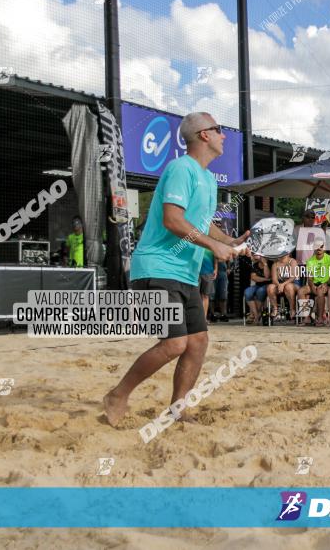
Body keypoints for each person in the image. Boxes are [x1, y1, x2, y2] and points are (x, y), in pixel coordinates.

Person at [104, 112, 249, 427]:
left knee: (197, 342)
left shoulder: (208, 179)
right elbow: (172, 220)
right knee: (175, 343)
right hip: (155, 267)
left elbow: (202, 222)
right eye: (219, 129)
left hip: (183, 273)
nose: (224, 135)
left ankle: (177, 410)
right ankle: (118, 393)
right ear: (204, 135)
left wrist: (229, 240)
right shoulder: (180, 169)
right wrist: (213, 247)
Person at [306, 241, 330, 327]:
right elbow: (310, 277)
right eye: (316, 246)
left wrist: (325, 283)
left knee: (320, 291)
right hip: (314, 283)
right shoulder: (310, 261)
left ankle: (320, 318)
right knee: (301, 291)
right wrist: (312, 285)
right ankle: (306, 317)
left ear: (325, 248)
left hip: (327, 283)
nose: (319, 248)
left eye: (321, 246)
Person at [268, 253, 303, 323]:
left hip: (294, 283)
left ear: (288, 253)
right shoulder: (275, 264)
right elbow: (274, 279)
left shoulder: (292, 261)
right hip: (280, 284)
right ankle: (275, 309)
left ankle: (292, 309)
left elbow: (293, 277)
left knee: (288, 287)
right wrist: (279, 285)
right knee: (270, 287)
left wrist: (283, 284)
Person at [244, 253, 270, 324]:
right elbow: (254, 278)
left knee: (260, 291)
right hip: (258, 285)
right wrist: (265, 279)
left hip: (268, 285)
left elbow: (267, 276)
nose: (261, 258)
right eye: (260, 256)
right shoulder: (255, 265)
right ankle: (256, 315)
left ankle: (255, 316)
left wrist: (265, 264)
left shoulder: (270, 264)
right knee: (247, 292)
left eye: (262, 256)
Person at [199, 248, 216, 320]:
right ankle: (197, 319)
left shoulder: (210, 243)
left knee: (205, 296)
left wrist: (216, 269)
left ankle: (203, 319)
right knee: (196, 296)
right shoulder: (195, 241)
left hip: (208, 272)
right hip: (195, 272)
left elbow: (215, 257)